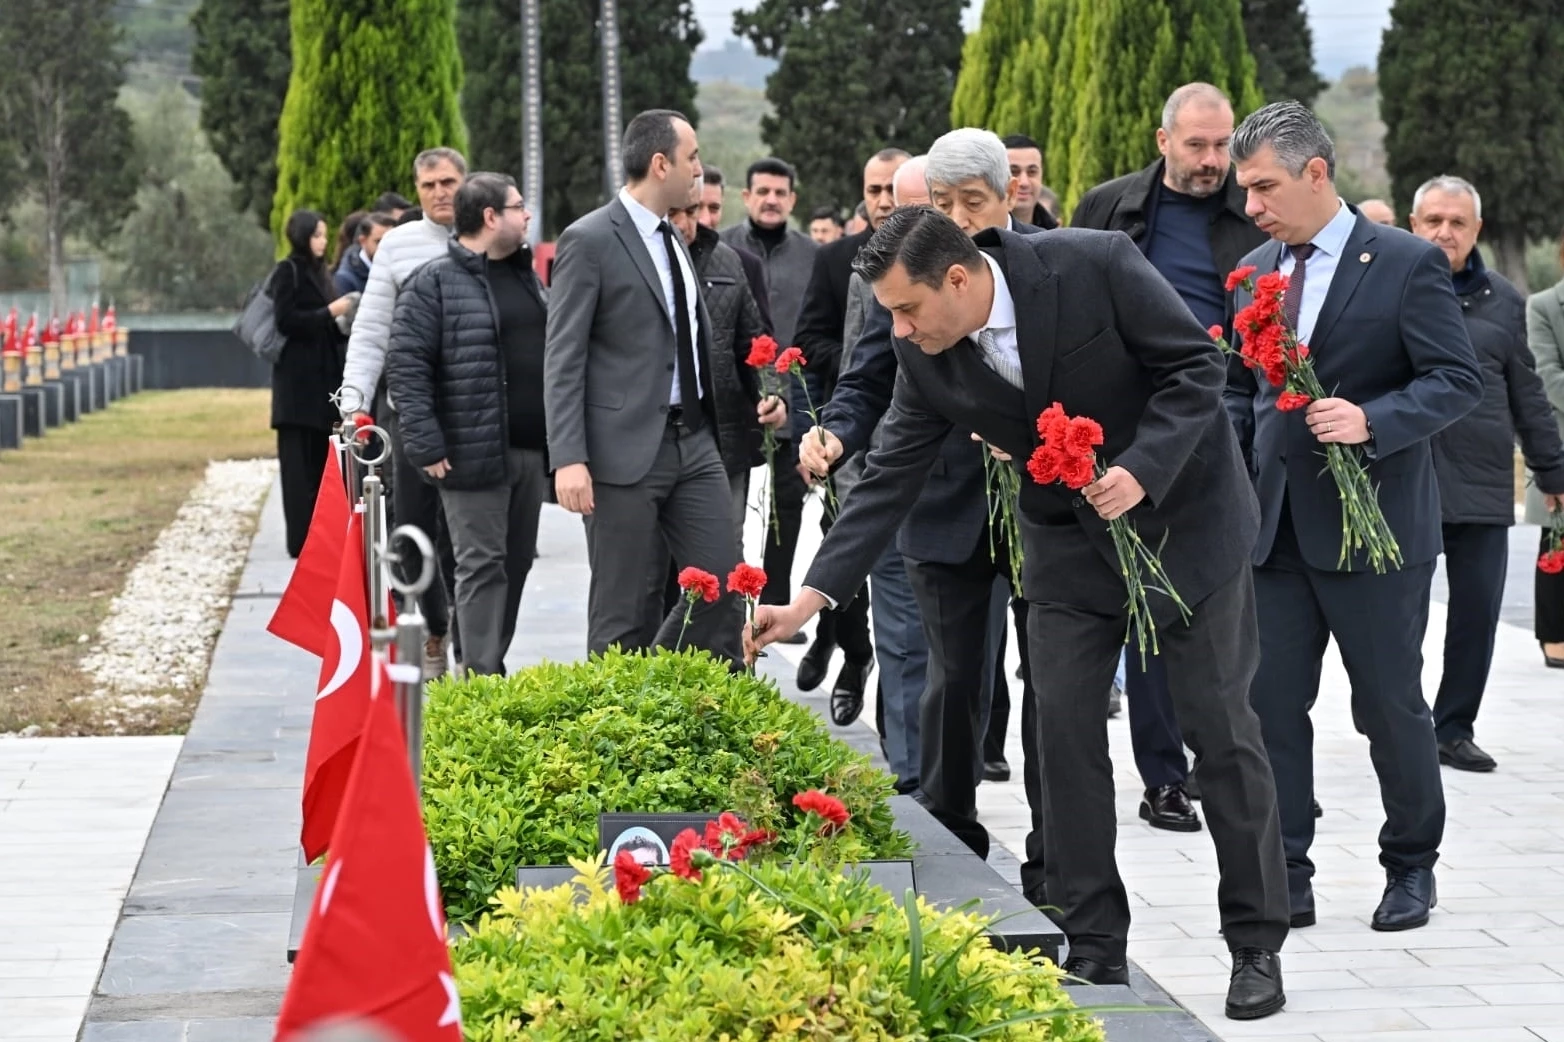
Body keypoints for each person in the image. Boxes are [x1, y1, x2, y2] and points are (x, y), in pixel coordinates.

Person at [753, 206, 1291, 1019]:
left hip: (1186, 522)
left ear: (957, 279)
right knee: (1062, 736)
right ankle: (1094, 940)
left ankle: (1255, 941)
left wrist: (1141, 468)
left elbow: (1193, 369)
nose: (899, 330)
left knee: (1220, 734)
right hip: (1067, 551)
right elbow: (890, 474)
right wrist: (808, 599)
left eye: (907, 308)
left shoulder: (1095, 263)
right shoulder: (924, 351)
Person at [1228, 102, 1482, 933]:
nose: (1252, 206)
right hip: (1275, 530)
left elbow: (1456, 380)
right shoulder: (1254, 269)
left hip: (1376, 531)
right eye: (1245, 189)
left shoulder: (1407, 262)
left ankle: (1410, 865)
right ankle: (1285, 871)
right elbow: (1240, 393)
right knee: (1270, 709)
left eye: (1265, 187)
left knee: (1387, 707)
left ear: (1316, 173)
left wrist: (1372, 420)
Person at [801, 130, 1054, 896]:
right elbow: (869, 376)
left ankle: (1052, 855)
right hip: (940, 497)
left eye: (967, 202)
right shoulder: (907, 276)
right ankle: (945, 834)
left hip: (1044, 506)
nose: (954, 218)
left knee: (1052, 682)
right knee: (946, 680)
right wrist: (837, 432)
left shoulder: (1054, 265)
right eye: (939, 204)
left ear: (1009, 194)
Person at [1071, 82, 1270, 832]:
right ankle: (1164, 777)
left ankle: (1234, 760)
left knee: (1224, 612)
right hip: (1137, 436)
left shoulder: (1252, 212)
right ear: (1163, 142)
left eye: (1223, 145)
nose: (1213, 160)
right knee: (1149, 603)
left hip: (1229, 429)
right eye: (1197, 145)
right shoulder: (1110, 208)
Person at [545, 109, 784, 662]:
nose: (699, 168)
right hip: (620, 453)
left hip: (694, 443)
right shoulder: (589, 239)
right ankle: (620, 709)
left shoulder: (673, 237)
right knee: (622, 611)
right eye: (692, 157)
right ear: (660, 164)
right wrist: (569, 457)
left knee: (723, 585)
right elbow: (563, 356)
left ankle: (661, 685)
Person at [1408, 175, 1564, 770]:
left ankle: (1453, 729)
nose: (1444, 232)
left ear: (1477, 229)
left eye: (1458, 222)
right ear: (1414, 224)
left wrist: (1552, 470)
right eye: (1433, 220)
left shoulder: (1505, 301)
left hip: (1481, 484)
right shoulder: (1388, 287)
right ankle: (1398, 723)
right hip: (1406, 484)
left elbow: (1529, 395)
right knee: (1399, 620)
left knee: (1476, 617)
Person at [385, 173, 551, 676]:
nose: (527, 215)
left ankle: (489, 660)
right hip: (469, 453)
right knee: (480, 565)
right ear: (490, 217)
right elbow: (406, 366)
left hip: (529, 452)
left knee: (516, 564)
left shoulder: (527, 277)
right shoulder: (432, 282)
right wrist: (426, 442)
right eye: (519, 207)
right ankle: (481, 676)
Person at [788, 148, 911, 716]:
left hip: (912, 445)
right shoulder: (841, 261)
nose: (883, 201)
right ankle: (852, 654)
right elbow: (809, 343)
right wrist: (862, 368)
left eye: (893, 190)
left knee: (903, 604)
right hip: (851, 436)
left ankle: (890, 709)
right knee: (848, 560)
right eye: (874, 190)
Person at [339, 147, 467, 678]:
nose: (440, 193)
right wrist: (354, 403)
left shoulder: (488, 235)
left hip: (475, 416)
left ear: (465, 181)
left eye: (449, 182)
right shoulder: (398, 245)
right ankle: (437, 625)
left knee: (469, 543)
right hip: (410, 413)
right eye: (429, 185)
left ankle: (471, 651)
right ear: (417, 191)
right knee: (411, 533)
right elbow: (371, 331)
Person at [655, 182, 779, 622]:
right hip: (652, 439)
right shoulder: (638, 260)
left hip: (722, 438)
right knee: (657, 567)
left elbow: (755, 342)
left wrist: (772, 392)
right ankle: (661, 653)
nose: (690, 223)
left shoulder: (729, 261)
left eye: (698, 211)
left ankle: (720, 653)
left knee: (724, 558)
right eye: (679, 212)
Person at [271, 210, 352, 558]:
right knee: (298, 469)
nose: (323, 241)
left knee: (321, 465)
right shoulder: (287, 271)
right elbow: (286, 321)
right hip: (297, 387)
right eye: (317, 235)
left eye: (324, 235)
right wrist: (329, 313)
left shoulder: (321, 273)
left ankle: (321, 538)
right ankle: (300, 541)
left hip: (324, 385)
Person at [1529, 227, 1564, 668]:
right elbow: (1547, 375)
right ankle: (1555, 634)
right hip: (1560, 439)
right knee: (1557, 538)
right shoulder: (1543, 306)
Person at [999, 134, 1058, 230]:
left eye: (1032, 172)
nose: (1024, 183)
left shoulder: (1055, 234)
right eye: (1013, 172)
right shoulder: (978, 232)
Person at [334, 212, 396, 297]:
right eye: (378, 242)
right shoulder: (345, 279)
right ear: (363, 241)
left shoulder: (397, 269)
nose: (385, 247)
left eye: (390, 241)